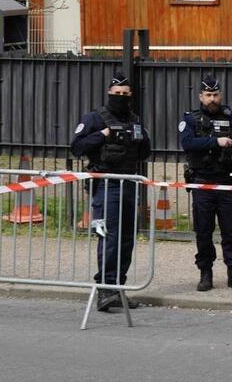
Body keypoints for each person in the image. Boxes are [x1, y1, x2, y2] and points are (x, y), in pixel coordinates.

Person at [70, 72, 151, 313]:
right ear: (109, 94)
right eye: (117, 94)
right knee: (110, 237)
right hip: (106, 185)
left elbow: (144, 152)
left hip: (129, 185)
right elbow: (77, 147)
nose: (122, 98)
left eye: (126, 95)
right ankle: (104, 290)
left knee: (126, 239)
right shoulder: (95, 118)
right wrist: (102, 135)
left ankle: (118, 288)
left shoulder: (135, 121)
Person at [179, 75, 232, 293]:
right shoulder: (191, 119)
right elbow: (187, 143)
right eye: (208, 95)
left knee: (231, 231)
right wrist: (215, 142)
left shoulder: (231, 117)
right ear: (201, 96)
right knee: (203, 231)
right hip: (202, 182)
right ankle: (205, 273)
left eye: (215, 95)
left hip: (226, 181)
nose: (212, 99)